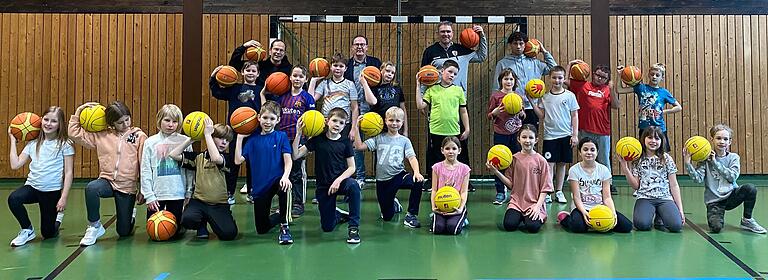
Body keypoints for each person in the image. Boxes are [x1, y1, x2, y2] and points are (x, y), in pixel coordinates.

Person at [69, 101, 148, 246]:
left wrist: (143, 188)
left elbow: (144, 163)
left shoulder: (139, 136)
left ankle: (130, 217)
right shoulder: (102, 136)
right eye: (120, 122)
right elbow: (74, 134)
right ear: (111, 123)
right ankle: (94, 225)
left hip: (127, 187)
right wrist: (79, 111)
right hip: (107, 181)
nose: (125, 124)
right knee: (92, 188)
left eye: (127, 119)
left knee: (123, 232)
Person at [421, 21, 487, 192]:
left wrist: (481, 36)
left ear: (452, 33)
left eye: (448, 32)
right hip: (437, 102)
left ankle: (465, 178)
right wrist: (422, 99)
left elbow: (481, 56)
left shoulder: (463, 49)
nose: (446, 34)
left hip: (458, 101)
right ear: (438, 33)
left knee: (461, 144)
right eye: (443, 31)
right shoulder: (430, 52)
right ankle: (431, 178)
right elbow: (423, 76)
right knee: (434, 146)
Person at [293, 108, 361, 244]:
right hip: (324, 186)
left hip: (340, 182)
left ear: (344, 125)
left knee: (354, 186)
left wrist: (339, 180)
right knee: (327, 227)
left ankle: (353, 227)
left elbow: (352, 167)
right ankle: (338, 215)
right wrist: (298, 133)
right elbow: (296, 155)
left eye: (341, 123)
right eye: (334, 121)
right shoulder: (317, 140)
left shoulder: (345, 142)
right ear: (327, 121)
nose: (337, 125)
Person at [7, 106, 73, 246]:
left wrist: (63, 198)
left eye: (54, 121)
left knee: (48, 234)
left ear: (60, 124)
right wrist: (13, 140)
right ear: (41, 120)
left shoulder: (65, 144)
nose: (49, 124)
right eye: (46, 119)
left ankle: (57, 218)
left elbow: (68, 173)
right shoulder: (33, 143)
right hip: (33, 187)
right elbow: (15, 165)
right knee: (14, 199)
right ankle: (27, 229)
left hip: (51, 192)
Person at [685, 124, 766, 234]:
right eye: (718, 138)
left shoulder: (733, 157)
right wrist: (688, 164)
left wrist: (715, 162)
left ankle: (747, 220)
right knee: (716, 228)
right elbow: (698, 179)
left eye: (725, 139)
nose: (722, 142)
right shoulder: (704, 160)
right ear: (712, 140)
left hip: (731, 196)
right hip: (715, 202)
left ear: (730, 142)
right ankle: (716, 216)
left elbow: (732, 177)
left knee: (750, 188)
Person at [352, 107, 424, 228]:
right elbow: (359, 146)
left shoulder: (404, 141)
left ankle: (411, 215)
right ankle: (393, 204)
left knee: (418, 181)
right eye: (391, 120)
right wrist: (356, 128)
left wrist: (416, 172)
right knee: (387, 217)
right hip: (382, 181)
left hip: (399, 175)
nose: (394, 123)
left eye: (397, 121)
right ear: (385, 121)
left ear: (402, 123)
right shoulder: (379, 138)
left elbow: (412, 158)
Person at [235, 101, 294, 244]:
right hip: (260, 187)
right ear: (259, 118)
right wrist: (239, 138)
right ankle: (280, 215)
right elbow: (238, 161)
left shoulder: (281, 136)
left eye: (272, 119)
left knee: (285, 187)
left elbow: (288, 161)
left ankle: (284, 227)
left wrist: (285, 177)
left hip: (276, 180)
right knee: (262, 229)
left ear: (278, 120)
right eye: (265, 118)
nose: (268, 122)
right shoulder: (253, 140)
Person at [170, 119, 238, 241]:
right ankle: (201, 224)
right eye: (220, 138)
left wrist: (207, 135)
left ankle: (218, 218)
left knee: (229, 234)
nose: (224, 142)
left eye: (227, 141)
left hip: (219, 204)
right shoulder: (198, 157)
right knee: (187, 220)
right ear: (212, 138)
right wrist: (191, 139)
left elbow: (216, 158)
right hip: (199, 202)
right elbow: (173, 155)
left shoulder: (228, 158)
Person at [261, 65, 315, 218]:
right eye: (295, 76)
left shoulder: (307, 98)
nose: (297, 79)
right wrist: (263, 93)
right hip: (281, 139)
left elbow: (312, 120)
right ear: (290, 78)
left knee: (297, 172)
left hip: (299, 139)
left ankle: (298, 203)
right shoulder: (281, 96)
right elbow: (268, 109)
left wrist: (309, 141)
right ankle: (283, 202)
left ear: (305, 79)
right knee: (282, 171)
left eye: (300, 76)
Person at [210, 62, 263, 202]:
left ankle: (253, 192)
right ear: (242, 72)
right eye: (248, 70)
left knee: (253, 164)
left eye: (254, 71)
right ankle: (229, 192)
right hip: (235, 133)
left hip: (254, 133)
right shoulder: (235, 88)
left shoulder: (261, 90)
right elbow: (217, 92)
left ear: (258, 74)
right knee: (233, 164)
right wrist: (213, 77)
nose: (251, 73)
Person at [557, 137, 633, 233]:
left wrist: (613, 213)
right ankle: (565, 218)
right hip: (581, 208)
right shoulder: (574, 170)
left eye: (592, 150)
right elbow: (576, 197)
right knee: (578, 227)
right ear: (580, 152)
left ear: (597, 152)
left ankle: (595, 224)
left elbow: (607, 197)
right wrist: (584, 213)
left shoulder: (604, 170)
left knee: (627, 226)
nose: (589, 152)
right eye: (585, 149)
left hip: (600, 208)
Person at [566, 60, 619, 195]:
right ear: (593, 74)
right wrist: (570, 65)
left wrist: (612, 89)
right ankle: (583, 181)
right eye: (597, 75)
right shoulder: (583, 85)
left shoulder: (607, 90)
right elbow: (565, 81)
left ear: (607, 80)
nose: (599, 78)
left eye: (603, 77)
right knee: (585, 157)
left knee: (603, 159)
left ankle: (609, 183)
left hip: (602, 131)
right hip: (584, 130)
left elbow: (616, 105)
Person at [487, 125, 552, 233]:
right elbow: (510, 185)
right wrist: (496, 172)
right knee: (509, 225)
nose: (527, 141)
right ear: (519, 139)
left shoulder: (541, 161)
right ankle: (520, 216)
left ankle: (533, 216)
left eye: (531, 138)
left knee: (532, 227)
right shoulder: (513, 159)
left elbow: (545, 188)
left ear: (536, 140)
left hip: (534, 203)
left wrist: (537, 207)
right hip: (517, 203)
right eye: (524, 137)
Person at [415, 60, 470, 187]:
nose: (452, 75)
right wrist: (418, 86)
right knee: (435, 158)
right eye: (450, 71)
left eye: (455, 74)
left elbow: (463, 111)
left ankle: (458, 182)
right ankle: (433, 182)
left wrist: (467, 128)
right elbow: (420, 106)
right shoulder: (432, 90)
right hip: (435, 130)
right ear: (441, 71)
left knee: (455, 158)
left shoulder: (458, 90)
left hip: (453, 130)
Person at [140, 104, 191, 240]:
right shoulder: (150, 142)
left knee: (174, 233)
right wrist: (149, 195)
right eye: (167, 120)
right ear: (159, 120)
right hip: (157, 195)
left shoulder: (185, 141)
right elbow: (145, 170)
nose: (171, 125)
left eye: (175, 121)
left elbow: (189, 170)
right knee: (155, 233)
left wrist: (188, 192)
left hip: (177, 193)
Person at [619, 126, 684, 232]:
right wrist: (626, 169)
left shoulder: (666, 158)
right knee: (642, 225)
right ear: (643, 139)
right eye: (650, 137)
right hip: (645, 197)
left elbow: (674, 184)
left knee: (676, 226)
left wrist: (680, 209)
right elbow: (636, 186)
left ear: (661, 141)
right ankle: (652, 211)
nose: (653, 141)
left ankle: (660, 214)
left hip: (664, 198)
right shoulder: (637, 159)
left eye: (657, 138)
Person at [532, 66, 579, 204]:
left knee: (562, 164)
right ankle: (548, 191)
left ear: (564, 79)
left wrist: (574, 135)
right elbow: (541, 115)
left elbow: (574, 115)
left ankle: (559, 191)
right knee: (549, 164)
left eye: (560, 78)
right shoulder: (545, 97)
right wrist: (532, 102)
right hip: (550, 136)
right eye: (554, 77)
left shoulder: (570, 96)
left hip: (565, 135)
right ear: (549, 78)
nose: (557, 80)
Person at [493, 31, 557, 127]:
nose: (518, 46)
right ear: (510, 45)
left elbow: (554, 69)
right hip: (512, 107)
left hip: (532, 107)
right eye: (515, 43)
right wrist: (499, 107)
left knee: (529, 139)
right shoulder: (502, 63)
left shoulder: (535, 63)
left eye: (521, 43)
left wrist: (544, 51)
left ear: (525, 45)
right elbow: (496, 87)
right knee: (514, 139)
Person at [617, 63, 682, 152]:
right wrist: (619, 75)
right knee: (644, 154)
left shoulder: (664, 92)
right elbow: (619, 90)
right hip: (644, 128)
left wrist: (664, 112)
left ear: (662, 77)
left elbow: (678, 107)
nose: (654, 77)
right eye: (652, 74)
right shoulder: (641, 88)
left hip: (659, 128)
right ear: (648, 75)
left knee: (662, 154)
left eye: (657, 75)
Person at [346, 35, 382, 189]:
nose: (359, 47)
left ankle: (381, 176)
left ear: (367, 47)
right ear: (352, 47)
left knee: (377, 144)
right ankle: (360, 177)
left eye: (362, 44)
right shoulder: (347, 65)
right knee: (356, 144)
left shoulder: (375, 63)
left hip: (372, 110)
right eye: (356, 44)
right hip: (353, 109)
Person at [487, 68, 524, 204]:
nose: (508, 81)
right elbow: (489, 115)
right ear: (501, 81)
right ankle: (500, 192)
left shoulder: (517, 97)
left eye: (511, 79)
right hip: (501, 134)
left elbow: (523, 115)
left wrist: (521, 113)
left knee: (517, 163)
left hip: (516, 134)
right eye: (506, 78)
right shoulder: (496, 96)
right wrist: (495, 112)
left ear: (514, 82)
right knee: (499, 162)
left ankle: (517, 191)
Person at [309, 53, 359, 141]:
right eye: (335, 65)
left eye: (341, 66)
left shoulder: (350, 84)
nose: (338, 68)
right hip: (326, 123)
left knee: (341, 151)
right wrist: (313, 81)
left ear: (345, 68)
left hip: (343, 124)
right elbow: (310, 99)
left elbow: (355, 108)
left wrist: (354, 128)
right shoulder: (325, 83)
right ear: (331, 67)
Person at [430, 137, 470, 235]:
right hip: (440, 205)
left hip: (456, 206)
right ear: (442, 150)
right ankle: (435, 216)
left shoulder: (465, 169)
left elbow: (464, 192)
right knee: (437, 229)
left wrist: (460, 208)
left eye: (454, 149)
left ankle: (462, 218)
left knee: (453, 229)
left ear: (459, 151)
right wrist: (433, 206)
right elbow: (434, 190)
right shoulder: (436, 167)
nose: (450, 151)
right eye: (447, 149)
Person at [360, 61, 408, 136]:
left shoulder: (396, 88)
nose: (390, 74)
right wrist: (364, 84)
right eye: (387, 71)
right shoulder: (374, 87)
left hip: (394, 126)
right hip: (377, 126)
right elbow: (372, 102)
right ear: (381, 70)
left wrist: (405, 130)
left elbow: (403, 109)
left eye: (392, 73)